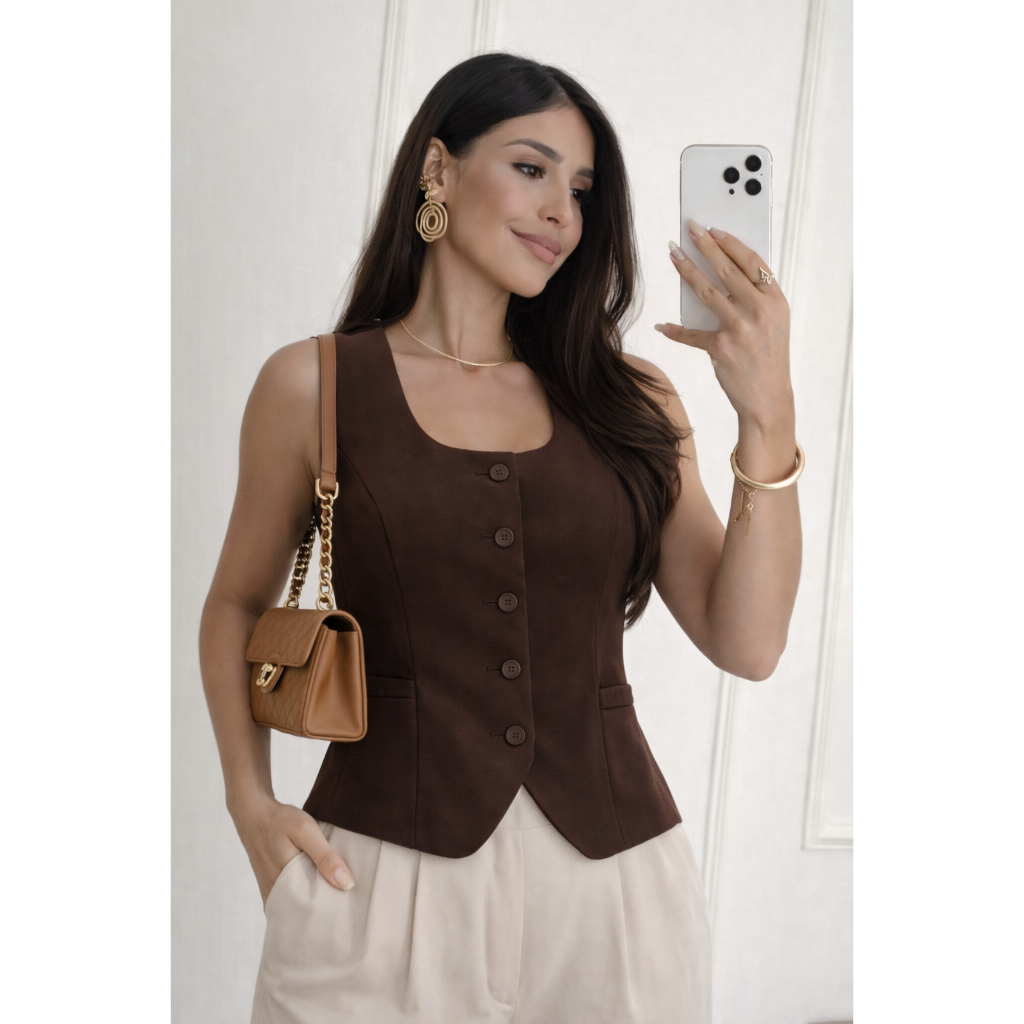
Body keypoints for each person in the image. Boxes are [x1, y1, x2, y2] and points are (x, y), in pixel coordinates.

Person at [199, 52, 801, 1024]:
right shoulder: (314, 386)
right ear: (437, 169)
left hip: (612, 894)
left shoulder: (630, 399)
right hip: (377, 883)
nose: (562, 212)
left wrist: (767, 414)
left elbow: (749, 642)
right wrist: (250, 803)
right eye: (531, 168)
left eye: (582, 190)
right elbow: (235, 602)